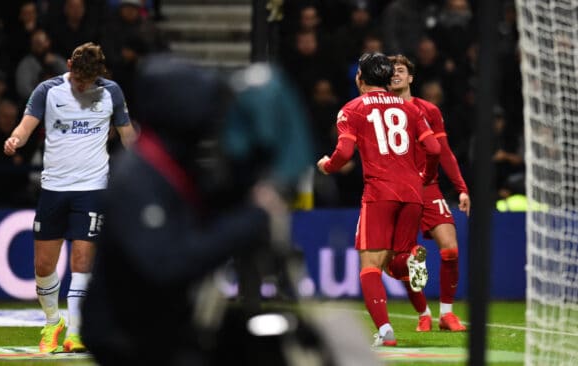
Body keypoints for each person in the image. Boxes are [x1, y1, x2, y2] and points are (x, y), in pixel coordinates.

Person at [80, 55, 329, 366]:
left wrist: (247, 188)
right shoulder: (136, 176)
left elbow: (206, 206)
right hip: (127, 340)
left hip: (160, 328)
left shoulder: (167, 164)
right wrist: (256, 214)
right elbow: (167, 264)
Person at [3, 42, 138, 353]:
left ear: (98, 75)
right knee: (43, 264)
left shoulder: (111, 93)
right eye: (77, 79)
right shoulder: (47, 91)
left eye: (87, 82)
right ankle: (53, 322)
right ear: (68, 66)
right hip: (53, 188)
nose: (81, 86)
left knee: (81, 261)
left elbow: (129, 136)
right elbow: (25, 127)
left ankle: (75, 332)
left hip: (92, 187)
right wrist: (15, 140)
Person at [317, 52, 441, 347]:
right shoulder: (411, 109)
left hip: (380, 192)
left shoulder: (352, 109)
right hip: (413, 192)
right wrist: (425, 177)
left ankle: (386, 332)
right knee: (395, 264)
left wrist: (327, 166)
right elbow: (434, 148)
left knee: (370, 264)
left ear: (360, 78)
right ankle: (412, 258)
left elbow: (345, 153)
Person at [388, 54, 470, 332]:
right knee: (402, 261)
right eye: (390, 71)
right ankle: (423, 313)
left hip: (428, 188)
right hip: (397, 191)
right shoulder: (380, 112)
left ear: (411, 77)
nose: (395, 74)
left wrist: (461, 188)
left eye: (400, 70)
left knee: (450, 248)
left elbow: (443, 151)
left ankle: (447, 314)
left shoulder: (429, 111)